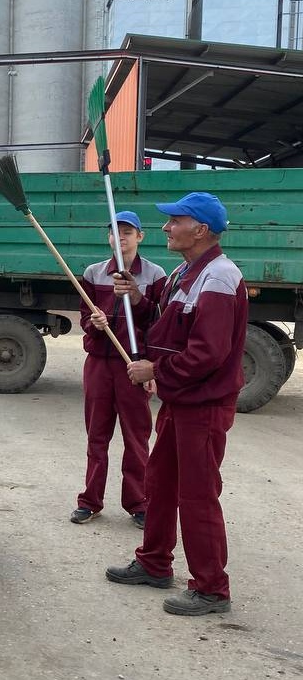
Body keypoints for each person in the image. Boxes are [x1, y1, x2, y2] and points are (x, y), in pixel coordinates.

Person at [105, 192, 248, 617]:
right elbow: (167, 323)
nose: (166, 228)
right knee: (161, 482)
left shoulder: (220, 277)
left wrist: (156, 372)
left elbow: (208, 353)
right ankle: (153, 563)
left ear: (200, 230)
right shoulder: (184, 273)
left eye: (175, 221)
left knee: (198, 496)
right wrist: (137, 299)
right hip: (180, 402)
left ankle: (211, 589)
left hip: (202, 407)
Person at [71, 211, 166, 529]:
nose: (121, 236)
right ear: (108, 238)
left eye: (128, 231)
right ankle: (90, 501)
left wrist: (152, 369)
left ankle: (138, 503)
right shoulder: (94, 273)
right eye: (115, 231)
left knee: (136, 438)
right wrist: (95, 324)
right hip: (98, 364)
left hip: (133, 366)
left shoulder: (154, 275)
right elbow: (85, 318)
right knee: (96, 436)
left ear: (140, 236)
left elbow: (159, 323)